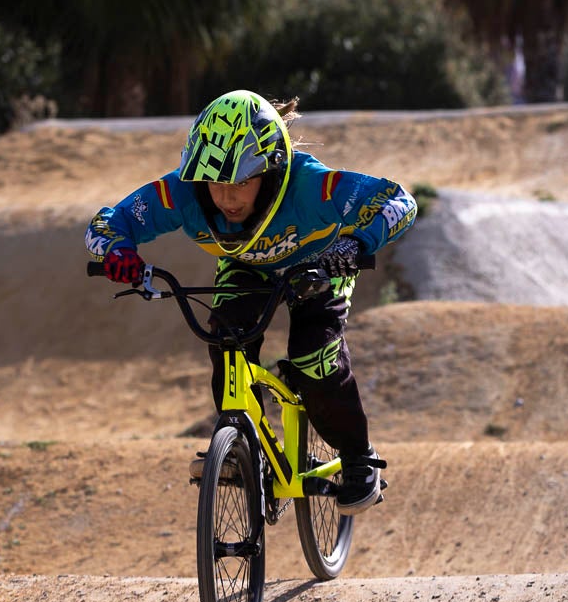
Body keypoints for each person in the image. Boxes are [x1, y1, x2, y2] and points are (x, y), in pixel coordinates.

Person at [85, 89, 417, 514]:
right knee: (225, 341)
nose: (225, 197)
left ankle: (359, 457)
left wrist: (354, 246)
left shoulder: (312, 185)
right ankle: (243, 449)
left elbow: (398, 202)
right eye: (215, 181)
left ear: (274, 170)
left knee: (313, 357)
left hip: (321, 266)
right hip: (247, 269)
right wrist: (118, 253)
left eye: (241, 181)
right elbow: (109, 222)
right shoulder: (184, 193)